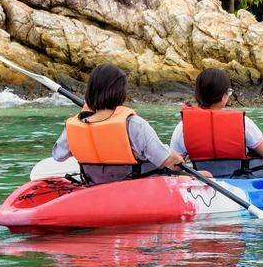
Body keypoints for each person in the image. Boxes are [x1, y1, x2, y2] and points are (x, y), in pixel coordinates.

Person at [53, 64, 183, 183]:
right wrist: (178, 160)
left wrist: (84, 113)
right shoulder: (134, 124)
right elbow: (166, 161)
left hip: (93, 188)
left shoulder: (75, 125)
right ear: (120, 92)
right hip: (134, 191)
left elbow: (58, 156)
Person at [168, 67, 263, 177]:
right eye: (228, 91)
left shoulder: (183, 127)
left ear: (198, 95)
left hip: (205, 184)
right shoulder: (243, 123)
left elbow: (173, 168)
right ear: (224, 96)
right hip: (239, 184)